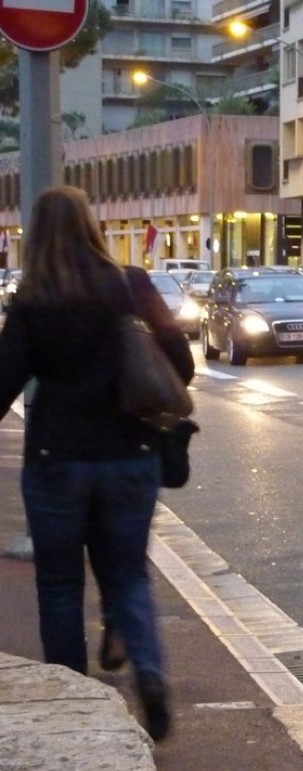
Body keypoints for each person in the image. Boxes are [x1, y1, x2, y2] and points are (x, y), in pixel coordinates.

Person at [0, 186, 194, 741]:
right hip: (130, 455)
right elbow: (180, 363)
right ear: (92, 226)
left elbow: (4, 379)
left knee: (59, 586)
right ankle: (151, 676)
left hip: (55, 459)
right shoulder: (130, 285)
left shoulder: (33, 299)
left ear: (36, 235)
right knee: (128, 574)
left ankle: (72, 706)